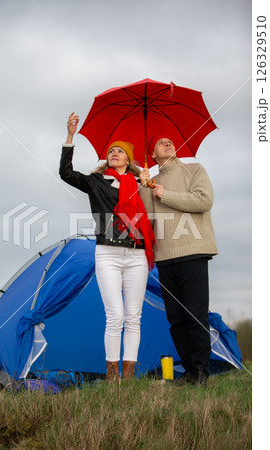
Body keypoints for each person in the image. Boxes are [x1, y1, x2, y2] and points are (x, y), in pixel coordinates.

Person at [59, 113, 156, 381]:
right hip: (108, 253)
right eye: (111, 151)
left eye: (120, 151)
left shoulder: (141, 183)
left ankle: (128, 377)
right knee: (115, 316)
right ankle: (112, 377)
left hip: (137, 255)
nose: (114, 153)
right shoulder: (96, 182)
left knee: (133, 317)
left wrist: (147, 183)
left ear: (129, 159)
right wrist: (70, 137)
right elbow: (65, 173)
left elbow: (154, 211)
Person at [139, 136, 218, 386]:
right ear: (152, 154)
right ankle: (189, 373)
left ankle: (201, 374)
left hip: (193, 251)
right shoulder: (152, 182)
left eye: (170, 141)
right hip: (165, 257)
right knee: (176, 319)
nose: (168, 143)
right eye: (161, 143)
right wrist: (144, 187)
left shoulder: (194, 169)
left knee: (196, 316)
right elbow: (148, 221)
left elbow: (204, 201)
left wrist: (166, 194)